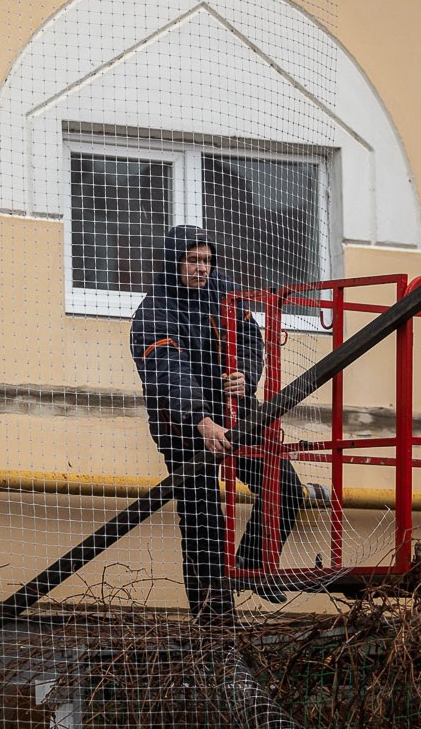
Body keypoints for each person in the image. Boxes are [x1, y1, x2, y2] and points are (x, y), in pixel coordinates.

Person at [130, 224, 304, 623]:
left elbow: (250, 338)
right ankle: (215, 623)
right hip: (183, 427)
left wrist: (244, 375)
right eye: (193, 260)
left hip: (236, 413)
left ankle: (254, 567)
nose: (201, 268)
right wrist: (201, 420)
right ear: (174, 262)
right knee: (203, 520)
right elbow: (167, 372)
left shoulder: (224, 290)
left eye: (207, 260)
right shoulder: (154, 312)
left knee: (285, 488)